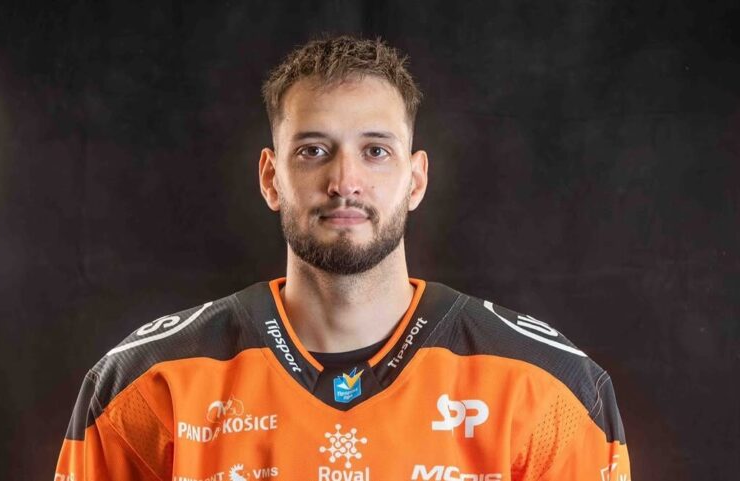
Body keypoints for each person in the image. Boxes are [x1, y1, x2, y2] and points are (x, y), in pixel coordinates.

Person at [55, 35, 632, 481]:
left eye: (375, 151)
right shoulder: (146, 387)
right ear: (271, 178)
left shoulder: (550, 390)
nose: (345, 181)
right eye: (313, 150)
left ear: (415, 180)